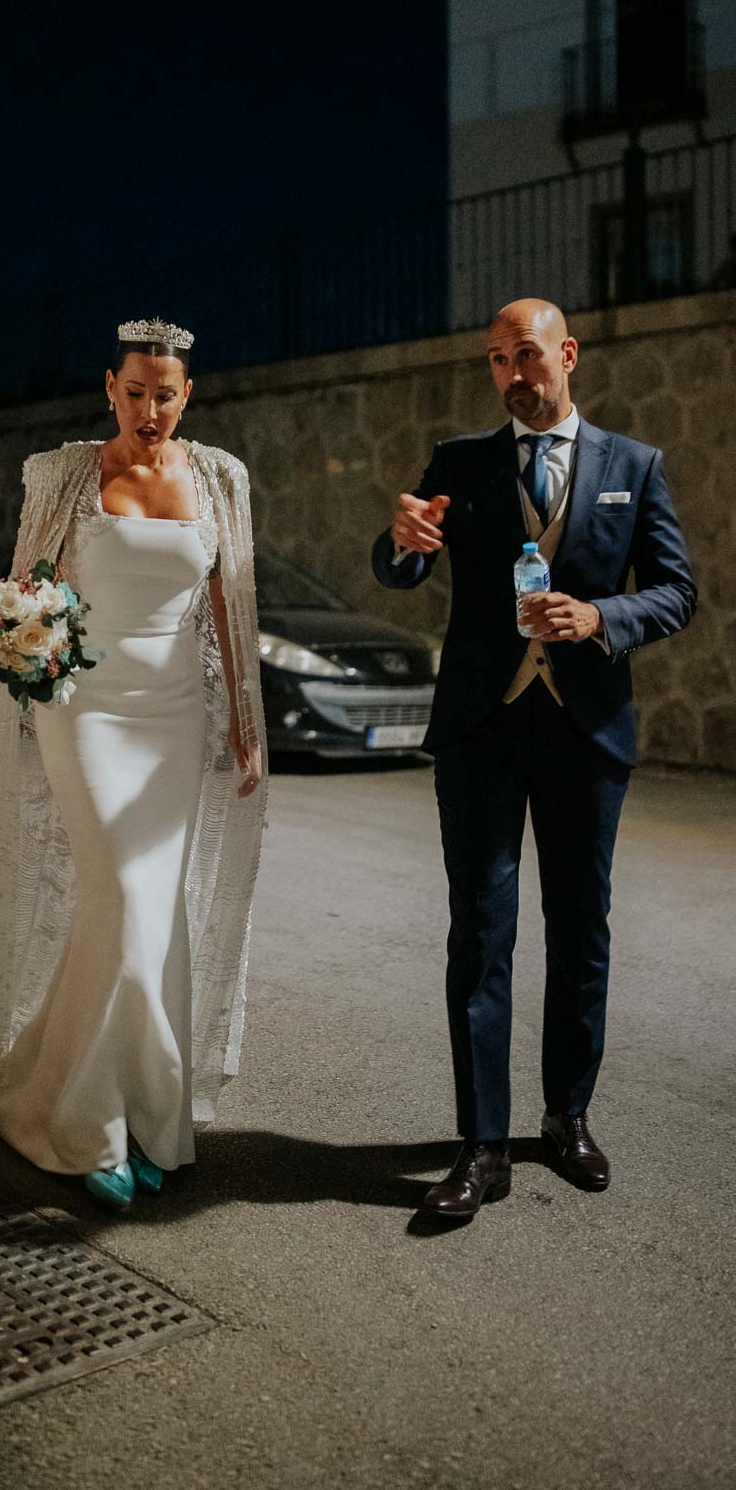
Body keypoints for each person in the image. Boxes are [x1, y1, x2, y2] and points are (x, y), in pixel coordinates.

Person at [0, 319, 266, 1206]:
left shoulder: (219, 480)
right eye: (135, 391)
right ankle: (82, 1127)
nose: (150, 408)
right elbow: (23, 590)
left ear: (186, 396)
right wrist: (10, 644)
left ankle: (141, 1113)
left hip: (172, 720)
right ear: (110, 388)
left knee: (148, 915)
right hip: (84, 710)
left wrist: (243, 721)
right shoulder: (64, 474)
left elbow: (232, 605)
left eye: (166, 394)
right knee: (123, 893)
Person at [372, 298, 695, 1220]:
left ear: (568, 354)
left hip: (584, 732)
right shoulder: (459, 463)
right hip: (481, 730)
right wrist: (399, 544)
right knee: (480, 934)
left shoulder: (634, 468)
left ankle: (566, 1118)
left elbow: (676, 592)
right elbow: (404, 565)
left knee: (579, 932)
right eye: (496, 360)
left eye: (528, 355)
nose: (514, 373)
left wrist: (602, 619)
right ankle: (482, 1146)